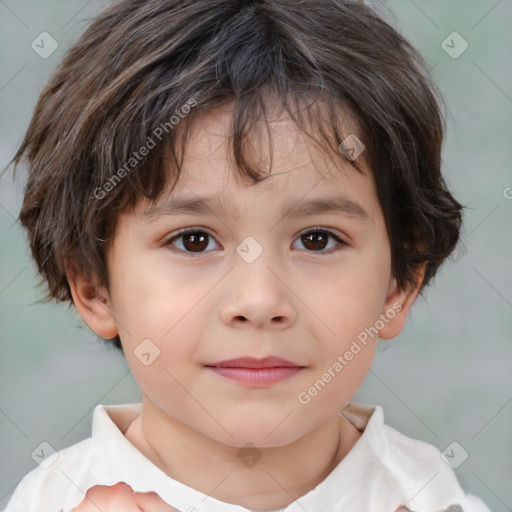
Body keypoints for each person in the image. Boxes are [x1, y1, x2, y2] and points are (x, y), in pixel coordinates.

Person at [3, 0, 492, 511]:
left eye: (317, 239)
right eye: (193, 240)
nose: (259, 301)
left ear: (399, 283)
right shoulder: (52, 501)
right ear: (92, 286)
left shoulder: (433, 498)